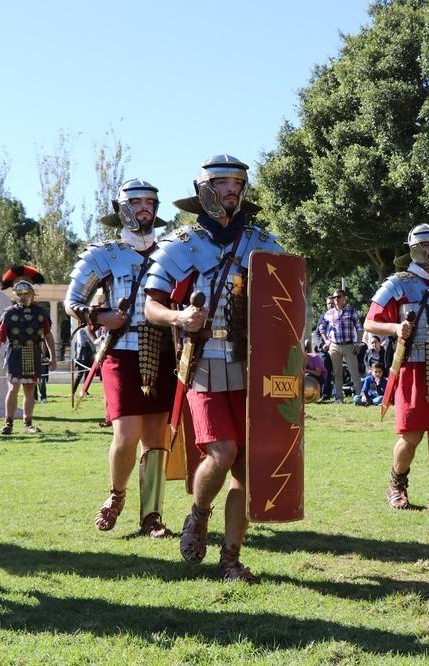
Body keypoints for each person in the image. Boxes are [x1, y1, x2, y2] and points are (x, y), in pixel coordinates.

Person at [144, 155, 282, 582]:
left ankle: (231, 559)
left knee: (245, 468)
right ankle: (199, 513)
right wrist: (180, 318)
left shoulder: (262, 243)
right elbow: (150, 305)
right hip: (204, 363)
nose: (232, 189)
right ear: (204, 189)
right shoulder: (181, 244)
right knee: (221, 454)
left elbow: (289, 301)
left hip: (251, 367)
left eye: (238, 182)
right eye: (222, 182)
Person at [65, 178, 177, 537]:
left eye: (149, 202)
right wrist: (100, 317)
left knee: (157, 436)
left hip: (162, 349)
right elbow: (73, 301)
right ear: (121, 209)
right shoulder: (103, 253)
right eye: (136, 202)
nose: (144, 208)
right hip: (122, 351)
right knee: (127, 433)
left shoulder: (172, 252)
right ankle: (116, 495)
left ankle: (152, 516)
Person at [365, 223, 429, 518]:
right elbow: (369, 323)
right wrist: (397, 327)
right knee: (412, 435)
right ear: (414, 248)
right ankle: (396, 484)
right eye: (427, 245)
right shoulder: (397, 283)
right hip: (412, 367)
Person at [0, 274, 57, 435]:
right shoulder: (8, 314)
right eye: (20, 294)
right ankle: (8, 423)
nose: (23, 296)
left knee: (29, 389)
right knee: (13, 388)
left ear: (32, 294)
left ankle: (28, 424)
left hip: (33, 353)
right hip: (15, 353)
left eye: (26, 293)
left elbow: (48, 335)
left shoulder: (40, 313)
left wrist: (53, 357)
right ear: (16, 295)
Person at [317, 288, 363, 403]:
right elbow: (321, 328)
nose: (336, 299)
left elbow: (359, 328)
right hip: (334, 346)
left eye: (338, 297)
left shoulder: (351, 311)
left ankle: (359, 397)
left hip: (349, 345)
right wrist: (326, 341)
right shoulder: (329, 313)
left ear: (344, 298)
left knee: (354, 372)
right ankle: (339, 398)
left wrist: (358, 343)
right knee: (337, 374)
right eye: (334, 297)